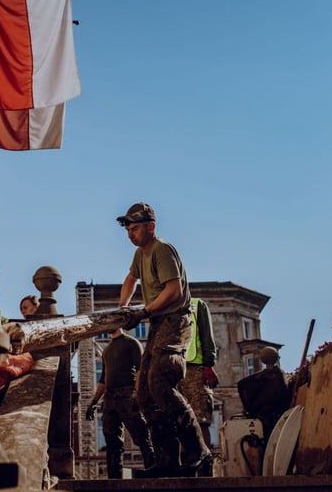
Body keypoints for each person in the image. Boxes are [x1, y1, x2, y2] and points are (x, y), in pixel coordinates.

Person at [116, 202, 213, 477]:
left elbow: (173, 290)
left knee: (160, 380)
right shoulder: (140, 254)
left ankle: (199, 452)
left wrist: (144, 310)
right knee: (145, 394)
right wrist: (123, 308)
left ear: (150, 226)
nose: (130, 234)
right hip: (159, 323)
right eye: (128, 229)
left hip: (175, 320)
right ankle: (167, 459)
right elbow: (130, 279)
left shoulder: (162, 250)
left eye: (134, 228)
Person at [86, 327, 155, 479]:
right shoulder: (106, 350)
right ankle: (114, 478)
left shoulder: (132, 343)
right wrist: (94, 402)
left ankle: (153, 470)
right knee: (112, 441)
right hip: (110, 399)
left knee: (141, 435)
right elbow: (103, 379)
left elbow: (140, 370)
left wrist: (137, 394)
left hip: (127, 394)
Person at [177, 297, 219, 446]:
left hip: (195, 369)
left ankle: (204, 464)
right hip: (174, 371)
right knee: (179, 422)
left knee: (200, 419)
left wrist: (208, 364)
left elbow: (207, 335)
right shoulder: (164, 305)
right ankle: (185, 466)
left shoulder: (196, 305)